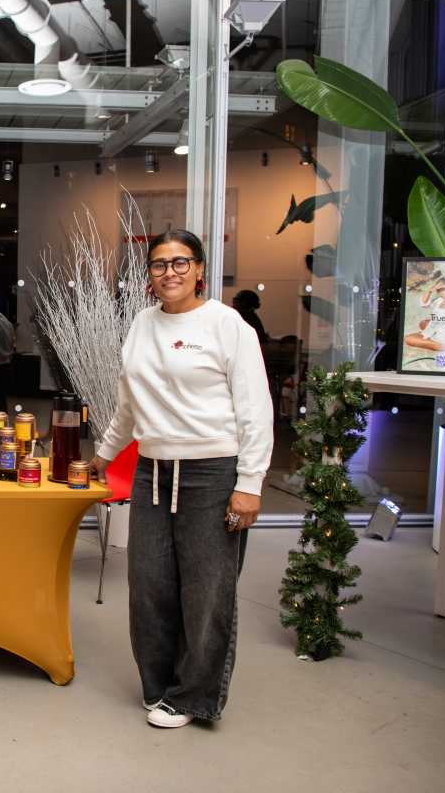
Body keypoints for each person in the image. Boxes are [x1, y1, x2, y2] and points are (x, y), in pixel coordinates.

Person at [90, 229, 273, 729]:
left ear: (199, 269)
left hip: (213, 473)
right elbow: (129, 404)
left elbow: (255, 410)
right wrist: (103, 455)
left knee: (206, 591)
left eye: (180, 262)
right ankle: (159, 685)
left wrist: (250, 484)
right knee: (148, 585)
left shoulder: (228, 326)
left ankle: (194, 696)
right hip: (152, 471)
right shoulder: (141, 324)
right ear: (148, 275)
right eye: (159, 264)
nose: (169, 272)